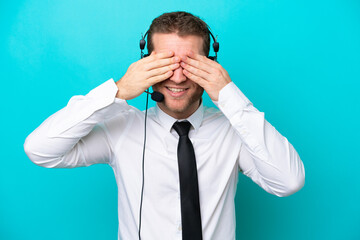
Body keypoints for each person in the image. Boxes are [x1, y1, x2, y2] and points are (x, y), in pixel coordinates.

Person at [24, 11, 305, 240]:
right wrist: (118, 90)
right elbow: (40, 150)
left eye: (191, 64)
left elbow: (288, 181)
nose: (179, 78)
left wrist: (229, 95)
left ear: (211, 65)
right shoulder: (121, 127)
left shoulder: (234, 130)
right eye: (166, 64)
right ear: (146, 65)